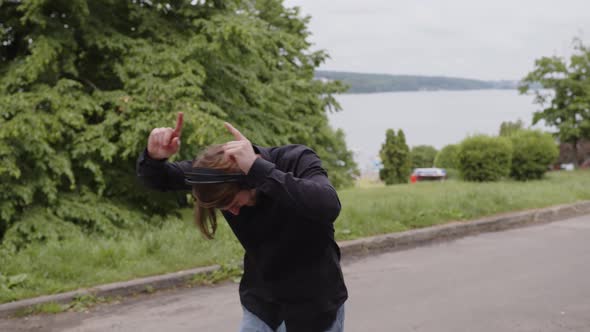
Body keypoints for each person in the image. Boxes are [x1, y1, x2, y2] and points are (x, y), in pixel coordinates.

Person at [136, 112, 348, 332]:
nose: (233, 212)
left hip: (315, 307)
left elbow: (328, 205)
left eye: (234, 202)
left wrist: (259, 170)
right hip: (262, 307)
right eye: (224, 208)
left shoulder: (295, 159)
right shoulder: (214, 175)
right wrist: (154, 158)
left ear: (248, 180)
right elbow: (159, 179)